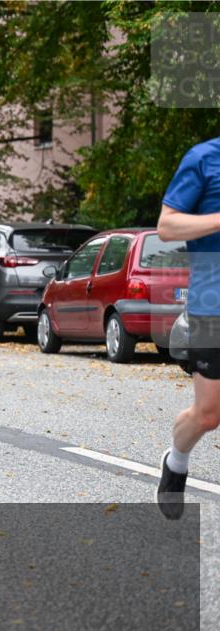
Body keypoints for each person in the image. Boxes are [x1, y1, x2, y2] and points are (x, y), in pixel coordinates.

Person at [155, 137, 220, 520]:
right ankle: (176, 462)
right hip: (213, 306)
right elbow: (167, 225)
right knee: (209, 414)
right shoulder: (204, 159)